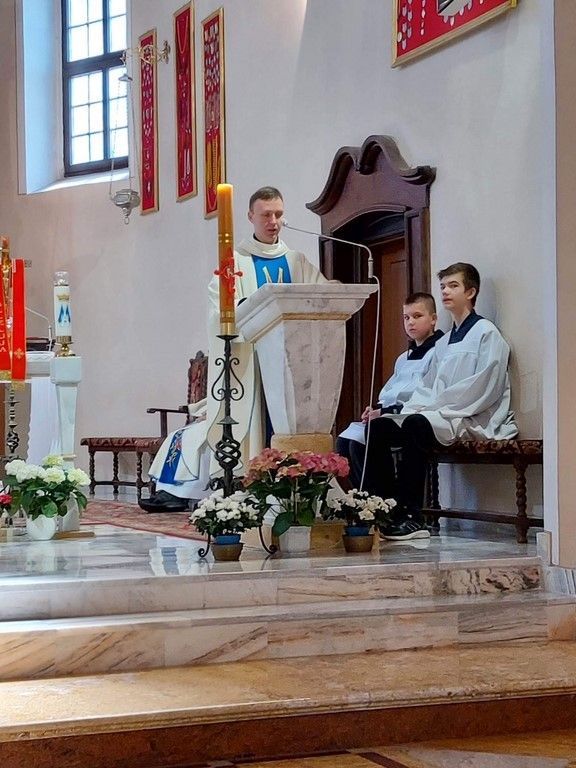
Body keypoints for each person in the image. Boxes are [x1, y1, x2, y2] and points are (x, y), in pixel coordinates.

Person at [141, 186, 328, 512]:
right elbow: (220, 314)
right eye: (266, 215)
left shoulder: (296, 261)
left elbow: (322, 299)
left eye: (278, 214)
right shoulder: (235, 262)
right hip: (249, 365)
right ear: (250, 216)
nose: (273, 221)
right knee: (246, 428)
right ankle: (250, 486)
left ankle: (293, 487)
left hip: (289, 367)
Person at [362, 262, 518, 540]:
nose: (445, 291)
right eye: (443, 286)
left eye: (453, 285)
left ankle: (412, 515)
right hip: (441, 412)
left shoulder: (486, 333)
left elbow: (484, 385)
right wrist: (405, 410)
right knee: (379, 427)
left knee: (416, 425)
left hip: (471, 415)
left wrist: (433, 408)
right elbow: (428, 386)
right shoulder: (444, 344)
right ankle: (387, 510)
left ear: (471, 292)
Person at [336, 292, 443, 488]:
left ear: (433, 319)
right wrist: (375, 409)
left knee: (374, 431)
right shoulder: (403, 358)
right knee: (346, 441)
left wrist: (386, 411)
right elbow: (391, 391)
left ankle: (384, 499)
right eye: (406, 317)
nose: (411, 322)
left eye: (417, 316)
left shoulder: (439, 351)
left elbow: (427, 394)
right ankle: (366, 498)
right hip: (390, 414)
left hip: (414, 417)